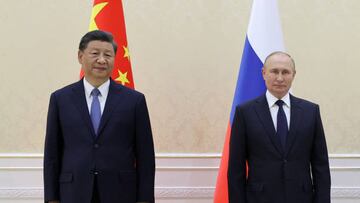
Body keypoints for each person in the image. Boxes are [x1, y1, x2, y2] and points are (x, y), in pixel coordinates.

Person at [43, 30, 155, 203]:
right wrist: (52, 198)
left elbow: (145, 156)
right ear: (80, 56)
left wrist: (145, 199)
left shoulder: (134, 100)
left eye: (108, 55)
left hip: (121, 192)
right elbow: (52, 154)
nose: (102, 60)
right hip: (73, 191)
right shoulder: (60, 99)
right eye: (95, 53)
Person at [228, 51, 331, 203]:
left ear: (293, 75)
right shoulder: (245, 112)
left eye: (286, 72)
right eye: (274, 71)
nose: (280, 78)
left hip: (301, 198)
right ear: (264, 73)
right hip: (259, 199)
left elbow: (320, 165)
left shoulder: (311, 111)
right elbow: (236, 168)